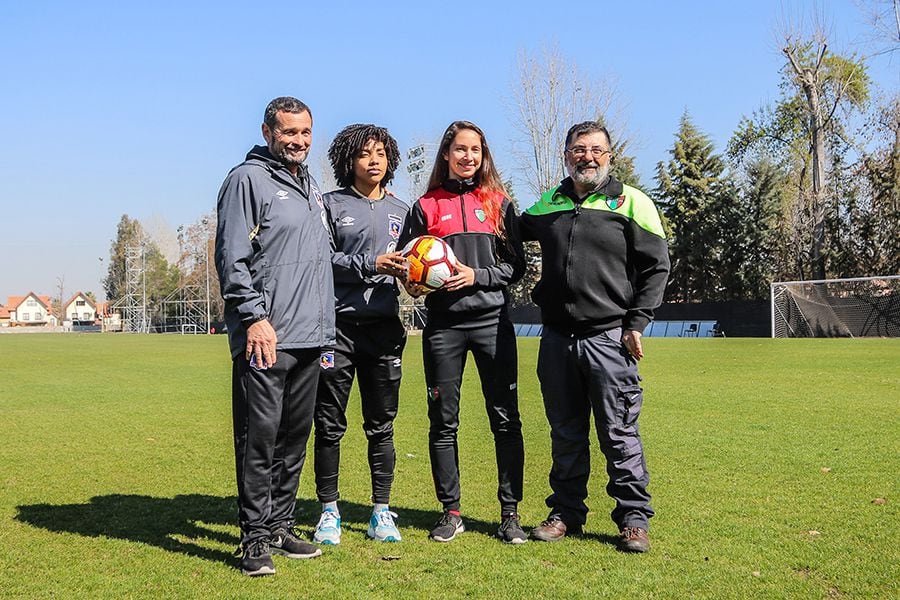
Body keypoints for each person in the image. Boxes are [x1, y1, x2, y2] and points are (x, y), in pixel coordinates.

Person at [519, 121, 670, 552]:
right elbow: (509, 232)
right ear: (566, 155)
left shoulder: (632, 202)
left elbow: (657, 267)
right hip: (555, 340)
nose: (588, 156)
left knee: (618, 433)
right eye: (579, 149)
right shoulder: (550, 201)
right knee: (565, 433)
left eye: (597, 149)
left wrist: (636, 322)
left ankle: (633, 519)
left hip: (609, 339)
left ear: (610, 154)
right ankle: (566, 513)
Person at [215, 96, 334, 576]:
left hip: (311, 336)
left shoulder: (311, 185)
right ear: (268, 132)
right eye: (289, 133)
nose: (299, 141)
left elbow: (319, 259)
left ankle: (281, 525)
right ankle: (253, 539)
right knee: (258, 440)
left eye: (305, 133)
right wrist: (254, 317)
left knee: (293, 438)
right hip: (266, 335)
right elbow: (232, 257)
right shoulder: (247, 180)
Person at [398, 121, 527, 544]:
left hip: (492, 324)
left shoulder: (499, 204)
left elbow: (516, 267)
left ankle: (510, 514)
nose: (467, 156)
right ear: (446, 155)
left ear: (483, 155)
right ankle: (450, 511)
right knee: (443, 422)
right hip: (443, 329)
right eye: (459, 149)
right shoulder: (425, 206)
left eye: (475, 149)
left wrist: (477, 276)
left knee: (505, 420)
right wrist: (413, 281)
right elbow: (407, 266)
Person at [312, 124, 409, 545]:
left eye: (381, 153)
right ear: (348, 160)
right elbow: (321, 258)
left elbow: (416, 262)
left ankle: (381, 512)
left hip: (385, 330)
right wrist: (371, 263)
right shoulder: (330, 205)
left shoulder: (403, 211)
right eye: (365, 153)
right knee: (329, 424)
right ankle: (329, 511)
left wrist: (419, 277)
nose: (374, 160)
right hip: (338, 329)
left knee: (381, 426)